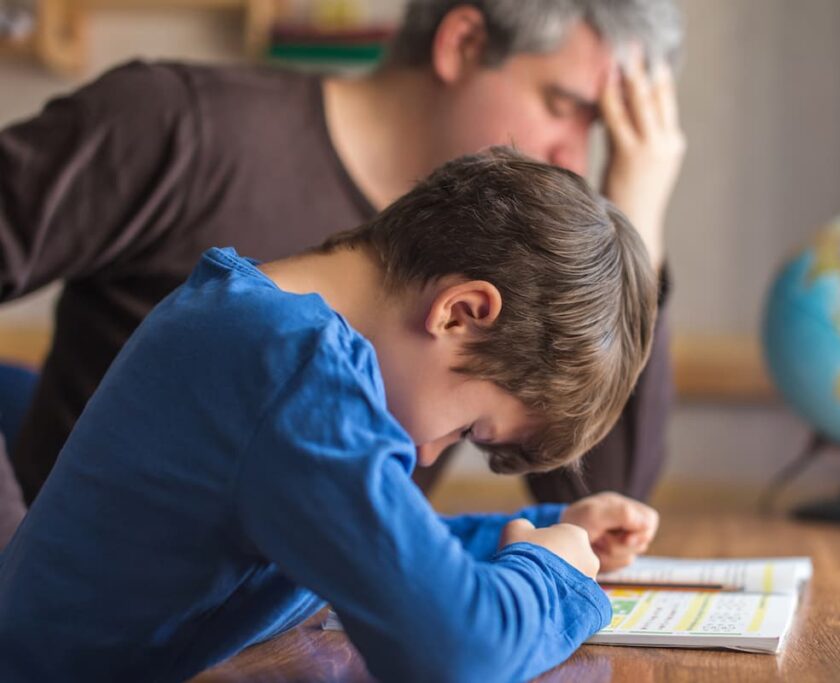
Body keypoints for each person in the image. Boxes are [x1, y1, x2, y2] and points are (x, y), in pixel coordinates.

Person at [0, 148, 660, 682]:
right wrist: (553, 576)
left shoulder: (253, 321)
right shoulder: (292, 364)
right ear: (461, 313)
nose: (429, 456)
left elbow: (377, 545)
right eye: (468, 429)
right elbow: (458, 654)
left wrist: (551, 528)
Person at [0, 0, 684, 509]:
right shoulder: (175, 126)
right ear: (464, 42)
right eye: (565, 106)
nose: (575, 157)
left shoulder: (506, 260)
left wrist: (639, 219)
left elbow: (599, 492)